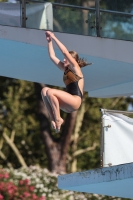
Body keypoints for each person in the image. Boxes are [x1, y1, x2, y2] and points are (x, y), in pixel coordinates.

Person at [41, 31, 91, 133]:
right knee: (44, 90)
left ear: (73, 60)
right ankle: (54, 120)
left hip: (75, 101)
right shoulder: (65, 69)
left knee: (50, 92)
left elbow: (64, 51)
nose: (64, 60)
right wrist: (49, 41)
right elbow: (52, 56)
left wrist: (54, 37)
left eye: (66, 59)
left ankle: (58, 118)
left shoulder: (75, 68)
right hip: (67, 104)